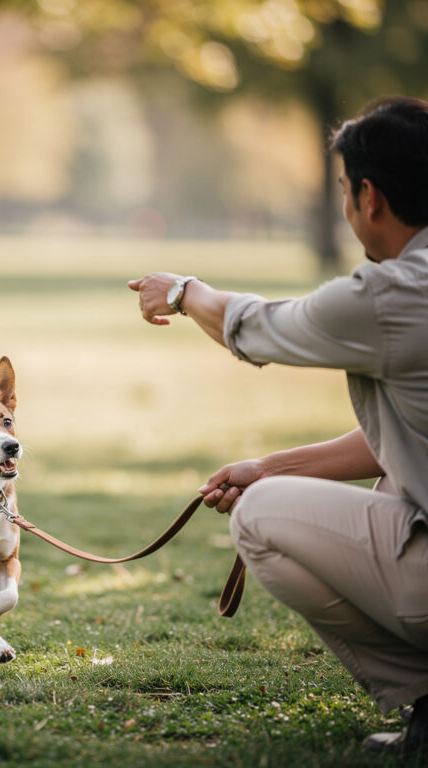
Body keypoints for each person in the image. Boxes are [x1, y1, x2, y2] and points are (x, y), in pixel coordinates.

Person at [128, 96, 428, 757]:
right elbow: (403, 441)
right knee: (371, 493)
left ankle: (425, 698)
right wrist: (268, 467)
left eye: (347, 192)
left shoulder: (394, 294)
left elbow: (257, 327)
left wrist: (182, 291)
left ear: (369, 199)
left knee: (259, 518)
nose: (349, 208)